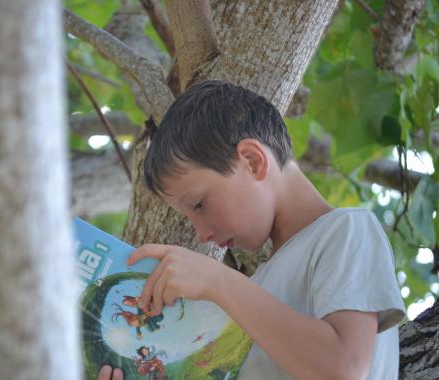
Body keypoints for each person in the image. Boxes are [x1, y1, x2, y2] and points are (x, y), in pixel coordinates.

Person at [98, 80, 405, 380]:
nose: (201, 234)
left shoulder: (346, 230)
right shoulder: (251, 291)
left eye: (200, 205)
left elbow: (345, 368)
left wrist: (217, 282)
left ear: (253, 161)